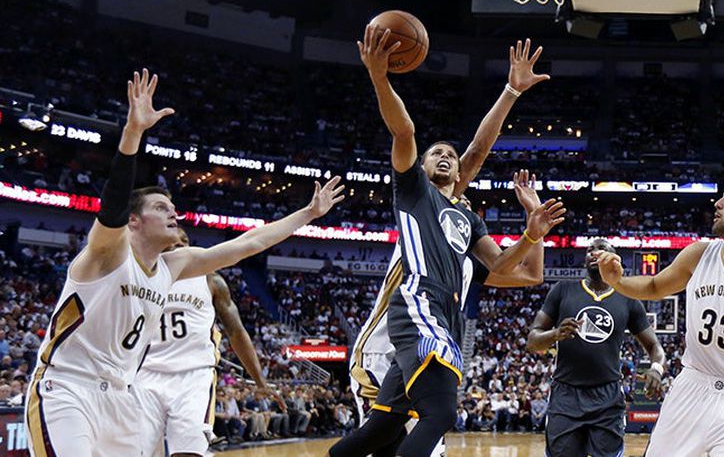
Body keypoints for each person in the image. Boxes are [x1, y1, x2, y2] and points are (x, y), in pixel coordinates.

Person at [25, 69, 346, 457]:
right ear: (134, 221)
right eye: (162, 208)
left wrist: (308, 214)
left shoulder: (174, 267)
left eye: (173, 207)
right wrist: (133, 134)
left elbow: (250, 243)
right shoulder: (106, 254)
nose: (174, 213)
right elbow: (112, 205)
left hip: (121, 396)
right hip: (68, 388)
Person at [329, 25, 564, 457]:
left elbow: (527, 274)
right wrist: (510, 91)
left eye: (450, 157)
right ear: (421, 168)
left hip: (435, 331)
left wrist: (534, 229)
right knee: (404, 433)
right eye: (436, 153)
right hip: (390, 338)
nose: (447, 157)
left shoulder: (465, 242)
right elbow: (466, 149)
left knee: (406, 441)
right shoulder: (419, 197)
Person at [597, 180, 724, 456]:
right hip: (692, 385)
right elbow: (655, 286)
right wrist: (617, 281)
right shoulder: (699, 253)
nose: (718, 203)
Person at [133, 227, 284, 457]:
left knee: (188, 453)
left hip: (194, 375)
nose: (179, 246)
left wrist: (260, 381)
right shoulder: (138, 278)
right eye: (172, 242)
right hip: (145, 374)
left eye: (184, 242)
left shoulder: (211, 279)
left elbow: (236, 333)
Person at [528, 239, 666, 457]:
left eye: (602, 249)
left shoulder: (628, 298)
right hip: (566, 395)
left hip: (607, 397)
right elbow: (532, 340)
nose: (594, 252)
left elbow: (655, 346)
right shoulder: (563, 290)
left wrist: (656, 368)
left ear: (614, 259)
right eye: (590, 249)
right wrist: (555, 334)